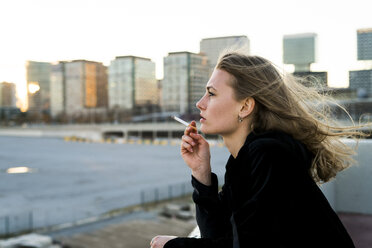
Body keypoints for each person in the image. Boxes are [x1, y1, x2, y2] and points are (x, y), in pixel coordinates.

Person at [150, 51, 361, 248]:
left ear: (245, 107)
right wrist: (201, 173)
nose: (199, 103)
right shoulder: (245, 159)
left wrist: (171, 245)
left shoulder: (270, 155)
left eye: (211, 94)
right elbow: (218, 234)